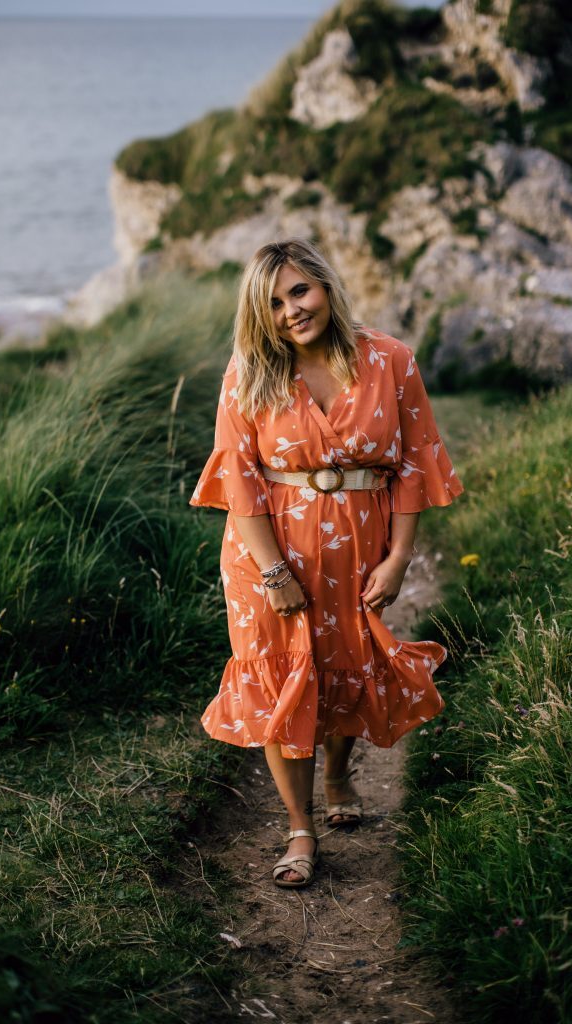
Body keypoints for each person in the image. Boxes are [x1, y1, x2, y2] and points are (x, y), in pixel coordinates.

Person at [189, 238, 464, 888]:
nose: (291, 310)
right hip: (266, 556)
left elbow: (413, 463)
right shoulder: (247, 372)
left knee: (346, 669)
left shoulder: (390, 361)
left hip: (356, 551)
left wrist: (398, 559)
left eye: (299, 291)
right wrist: (273, 573)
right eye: (274, 303)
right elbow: (239, 478)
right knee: (282, 677)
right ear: (260, 315)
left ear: (325, 284)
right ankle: (299, 827)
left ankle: (338, 773)